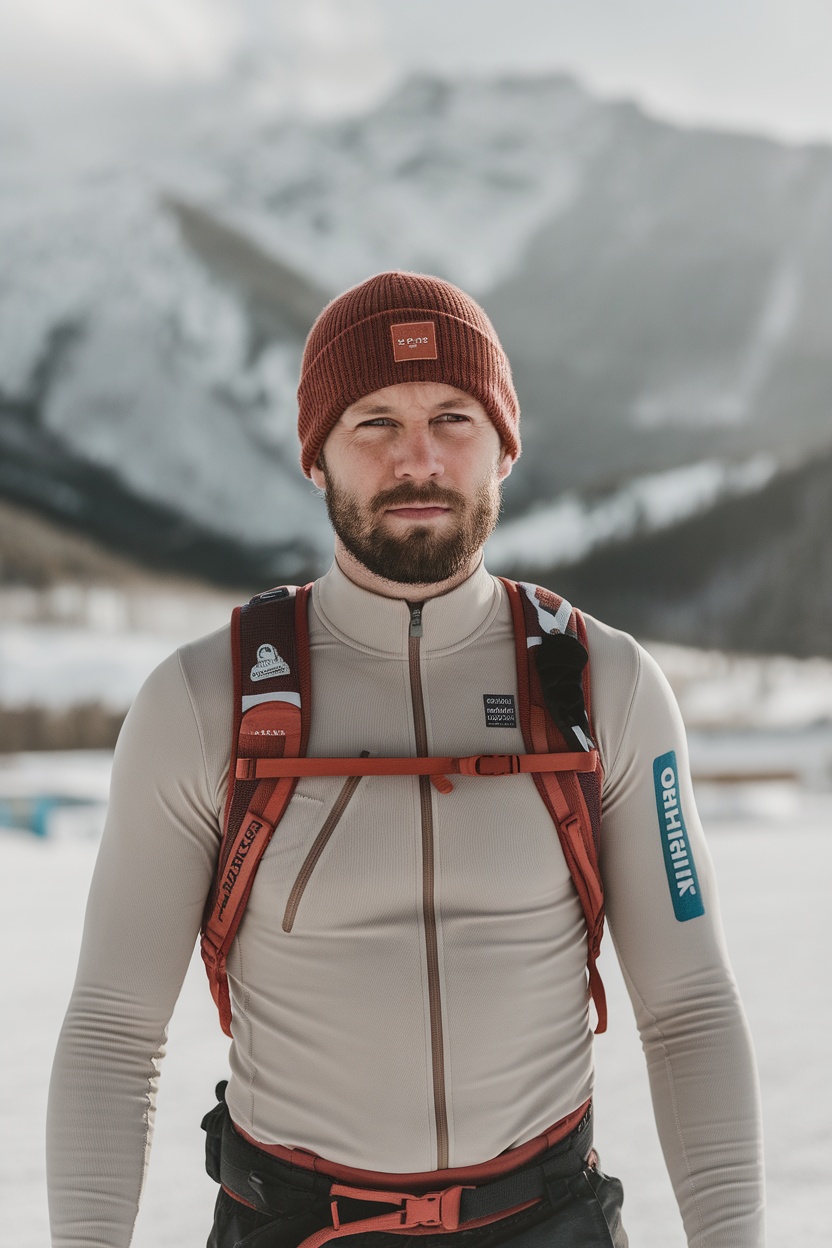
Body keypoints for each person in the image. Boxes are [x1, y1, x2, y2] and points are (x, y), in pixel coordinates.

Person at [47, 271, 765, 1248]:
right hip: (295, 1226)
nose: (417, 457)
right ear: (317, 459)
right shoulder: (206, 702)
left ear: (504, 447)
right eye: (373, 422)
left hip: (545, 1221)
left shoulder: (606, 687)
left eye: (453, 418)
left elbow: (686, 1010)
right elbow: (110, 1033)